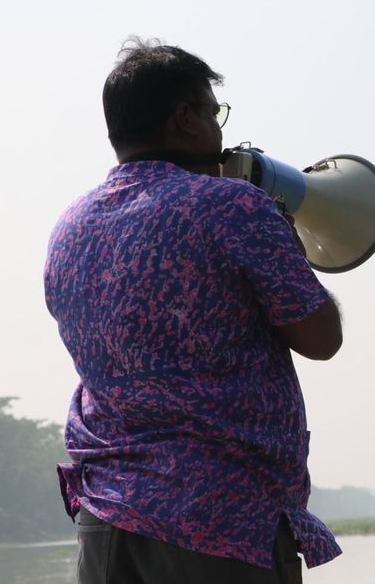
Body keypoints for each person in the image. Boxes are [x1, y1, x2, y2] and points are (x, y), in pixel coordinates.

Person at [44, 38, 343, 583]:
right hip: (218, 520)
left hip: (106, 519)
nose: (219, 128)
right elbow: (321, 336)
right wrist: (287, 239)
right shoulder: (234, 207)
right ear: (185, 119)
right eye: (213, 112)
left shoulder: (70, 226)